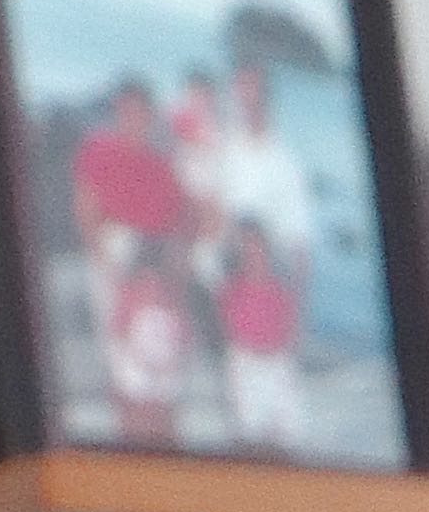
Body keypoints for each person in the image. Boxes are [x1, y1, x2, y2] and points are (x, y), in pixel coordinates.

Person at [69, 77, 205, 439]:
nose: (133, 118)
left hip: (155, 272)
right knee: (125, 368)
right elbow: (85, 210)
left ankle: (166, 451)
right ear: (118, 111)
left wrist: (172, 284)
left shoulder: (163, 166)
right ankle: (129, 445)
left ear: (150, 115)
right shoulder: (99, 150)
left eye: (140, 111)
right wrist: (110, 273)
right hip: (115, 260)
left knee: (164, 373)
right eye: (126, 110)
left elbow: (184, 225)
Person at [211, 46, 318, 451]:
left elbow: (301, 246)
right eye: (241, 91)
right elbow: (209, 219)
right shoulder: (224, 152)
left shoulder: (285, 162)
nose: (246, 100)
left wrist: (295, 319)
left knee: (280, 426)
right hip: (229, 294)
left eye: (253, 92)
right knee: (239, 420)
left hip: (268, 300)